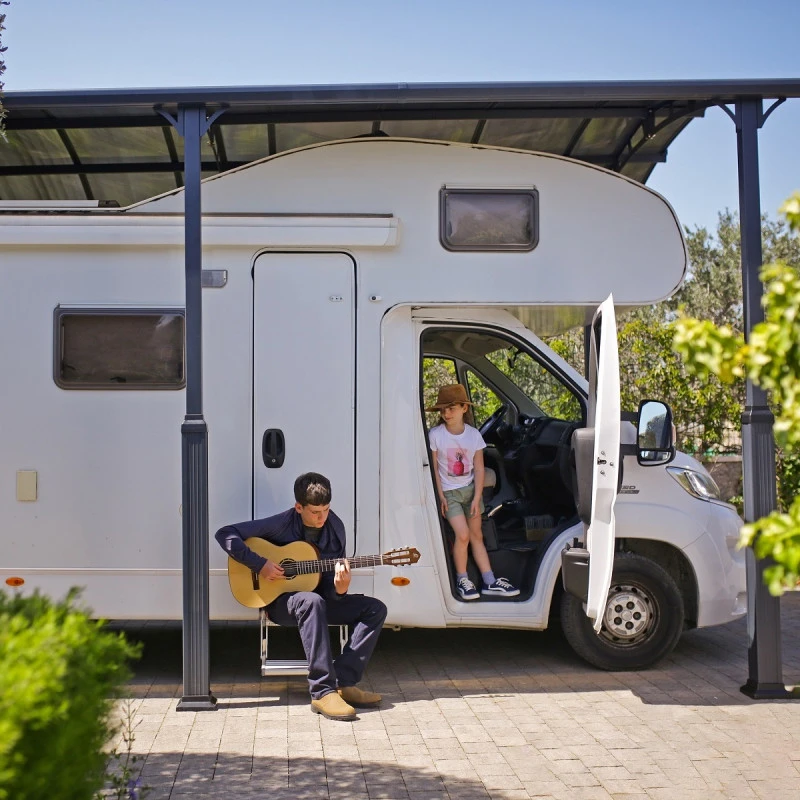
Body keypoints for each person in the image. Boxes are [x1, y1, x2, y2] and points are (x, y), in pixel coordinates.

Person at [215, 472, 387, 721]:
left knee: (375, 609)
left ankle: (343, 682)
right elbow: (225, 534)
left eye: (326, 510)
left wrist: (339, 589)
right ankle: (322, 692)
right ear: (298, 507)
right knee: (311, 600)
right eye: (315, 512)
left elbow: (330, 587)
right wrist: (260, 564)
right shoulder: (282, 524)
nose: (322, 518)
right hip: (282, 603)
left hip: (318, 601)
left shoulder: (335, 529)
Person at [427, 384, 520, 601]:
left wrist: (477, 497)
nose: (446, 414)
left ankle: (489, 581)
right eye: (443, 410)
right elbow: (433, 469)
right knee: (463, 535)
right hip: (450, 494)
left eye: (451, 408)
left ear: (463, 409)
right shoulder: (436, 435)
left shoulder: (473, 436)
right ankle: (462, 579)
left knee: (477, 536)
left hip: (470, 492)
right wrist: (440, 496)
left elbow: (479, 468)